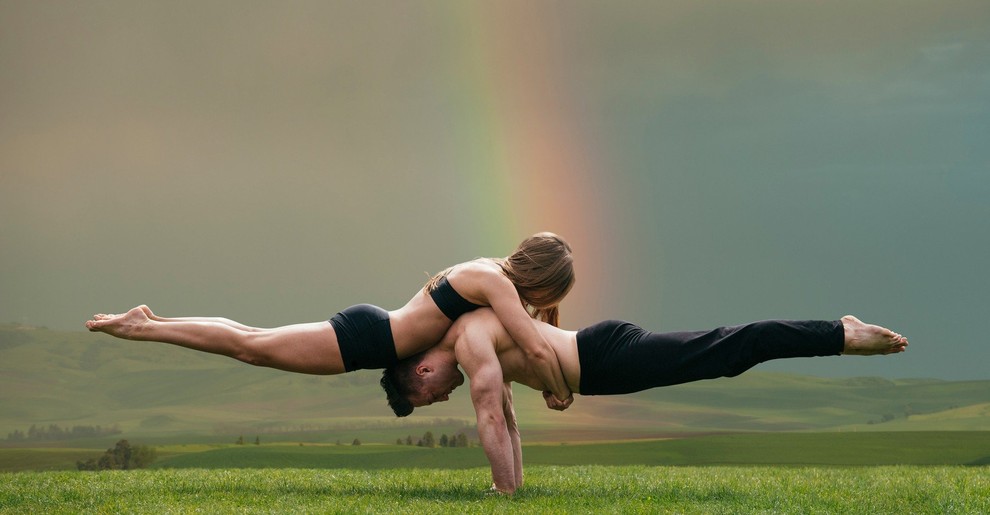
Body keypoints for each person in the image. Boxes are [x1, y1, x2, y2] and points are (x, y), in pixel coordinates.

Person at [380, 308, 908, 494]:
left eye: (428, 396)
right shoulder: (476, 347)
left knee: (729, 349)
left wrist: (501, 491)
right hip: (603, 363)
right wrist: (511, 489)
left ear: (421, 370)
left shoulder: (470, 342)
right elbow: (511, 422)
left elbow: (492, 417)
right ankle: (837, 333)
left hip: (608, 356)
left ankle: (840, 334)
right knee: (724, 353)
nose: (440, 397)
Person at [85, 232, 577, 409]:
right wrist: (561, 391)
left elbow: (536, 330)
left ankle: (150, 322)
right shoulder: (494, 282)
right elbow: (534, 346)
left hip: (373, 331)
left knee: (251, 340)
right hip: (369, 340)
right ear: (542, 276)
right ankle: (142, 327)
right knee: (249, 347)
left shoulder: (488, 271)